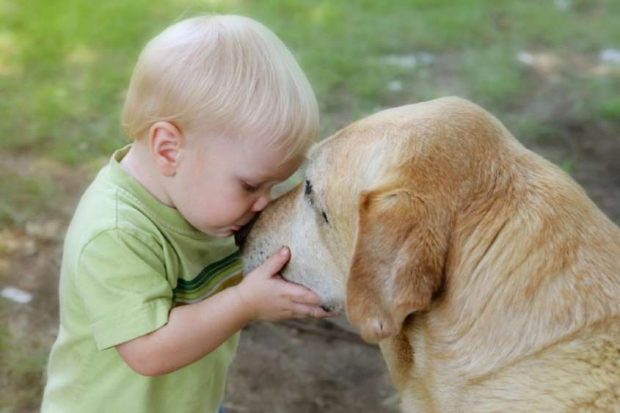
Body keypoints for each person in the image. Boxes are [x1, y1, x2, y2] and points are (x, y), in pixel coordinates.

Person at [41, 14, 331, 413]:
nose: (263, 202)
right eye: (250, 185)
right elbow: (148, 352)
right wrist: (245, 303)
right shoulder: (115, 232)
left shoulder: (205, 205)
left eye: (273, 185)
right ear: (168, 149)